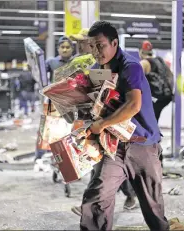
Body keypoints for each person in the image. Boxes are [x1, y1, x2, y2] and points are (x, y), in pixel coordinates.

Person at [79, 20, 169, 231]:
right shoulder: (96, 69)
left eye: (100, 45)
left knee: (153, 205)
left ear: (114, 43)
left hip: (143, 145)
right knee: (97, 196)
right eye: (92, 46)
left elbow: (133, 104)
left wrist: (101, 124)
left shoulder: (131, 66)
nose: (95, 51)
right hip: (115, 148)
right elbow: (93, 100)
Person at [69, 28, 137, 216]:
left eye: (83, 42)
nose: (80, 45)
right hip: (92, 118)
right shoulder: (80, 61)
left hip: (111, 119)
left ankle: (127, 196)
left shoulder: (107, 61)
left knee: (108, 163)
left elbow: (113, 86)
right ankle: (94, 206)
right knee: (99, 163)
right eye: (79, 42)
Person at [34, 36, 74, 170]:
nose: (65, 49)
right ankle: (39, 157)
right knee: (45, 129)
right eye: (62, 47)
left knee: (70, 132)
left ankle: (71, 161)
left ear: (72, 49)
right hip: (53, 102)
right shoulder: (51, 62)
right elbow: (40, 74)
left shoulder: (77, 62)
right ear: (58, 49)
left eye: (68, 47)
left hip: (71, 102)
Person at [139, 40, 173, 122]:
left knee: (146, 122)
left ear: (140, 52)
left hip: (154, 98)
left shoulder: (144, 63)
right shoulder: (161, 61)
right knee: (153, 120)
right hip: (165, 98)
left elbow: (135, 79)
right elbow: (171, 77)